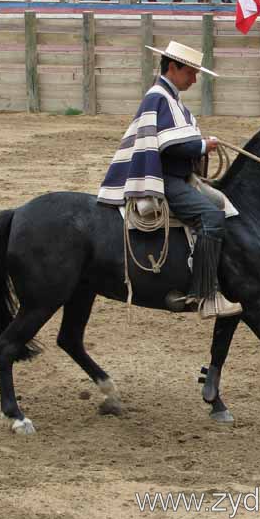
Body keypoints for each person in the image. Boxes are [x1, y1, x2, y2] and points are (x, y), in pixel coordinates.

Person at [98, 41, 238, 317]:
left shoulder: (167, 98)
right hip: (165, 179)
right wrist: (202, 146)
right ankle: (205, 295)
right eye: (191, 73)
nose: (195, 79)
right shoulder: (159, 97)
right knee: (211, 217)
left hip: (176, 176)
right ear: (173, 67)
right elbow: (169, 146)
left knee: (223, 204)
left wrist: (199, 144)